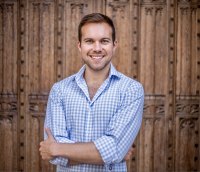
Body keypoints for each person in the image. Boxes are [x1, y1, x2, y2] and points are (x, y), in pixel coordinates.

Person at [39, 13, 144, 172]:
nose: (97, 48)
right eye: (89, 41)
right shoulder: (59, 90)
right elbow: (53, 157)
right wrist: (107, 155)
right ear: (79, 45)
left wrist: (56, 148)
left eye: (104, 41)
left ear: (114, 45)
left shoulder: (132, 90)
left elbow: (115, 149)